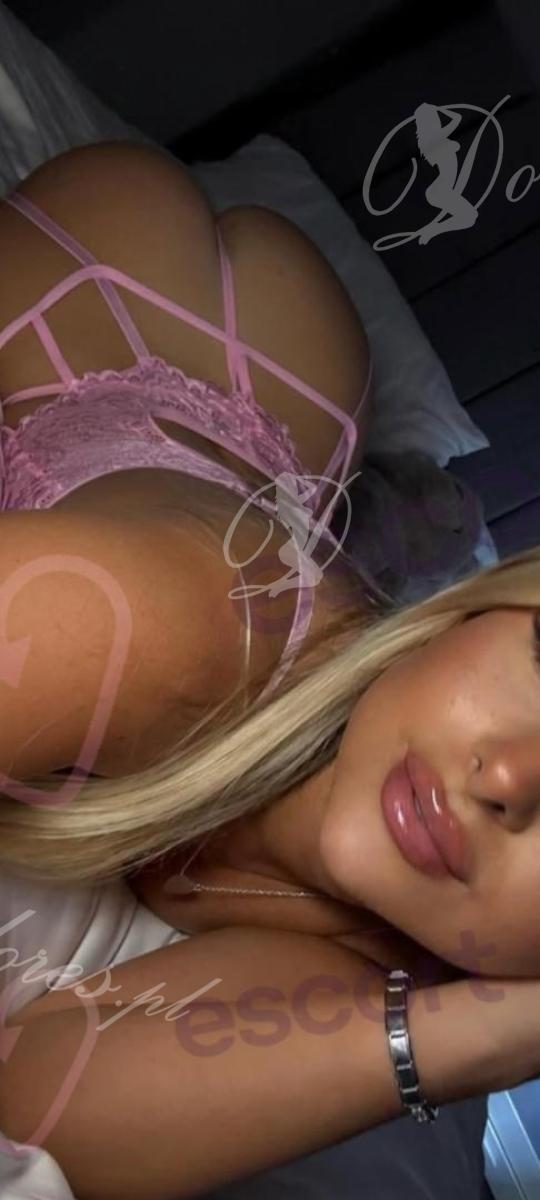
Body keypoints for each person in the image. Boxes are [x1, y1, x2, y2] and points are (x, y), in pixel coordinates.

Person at [0, 139, 539, 1200]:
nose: (513, 776)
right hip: (131, 302)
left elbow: (34, 1104)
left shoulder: (391, 935)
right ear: (486, 609)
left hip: (285, 453)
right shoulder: (143, 628)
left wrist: (490, 1032)